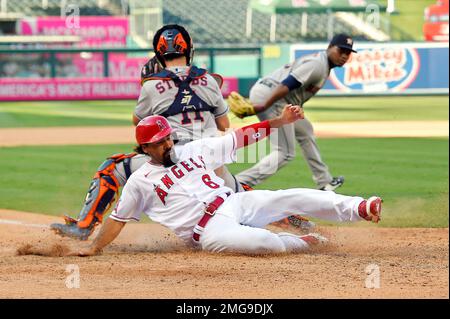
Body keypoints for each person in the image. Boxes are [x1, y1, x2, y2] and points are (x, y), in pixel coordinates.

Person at [50, 24, 313, 240]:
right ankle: (295, 221)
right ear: (189, 49)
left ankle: (84, 226)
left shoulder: (152, 85)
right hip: (211, 157)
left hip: (176, 156)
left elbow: (139, 124)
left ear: (158, 52)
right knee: (236, 192)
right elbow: (224, 126)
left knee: (113, 167)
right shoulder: (209, 80)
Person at [71, 106, 382, 257]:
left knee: (289, 197)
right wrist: (95, 246)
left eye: (167, 139)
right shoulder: (140, 181)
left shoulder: (193, 149)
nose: (167, 145)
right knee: (263, 243)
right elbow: (118, 219)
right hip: (206, 231)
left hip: (234, 202)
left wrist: (280, 122)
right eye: (159, 143)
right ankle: (300, 243)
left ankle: (359, 207)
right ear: (145, 149)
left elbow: (241, 136)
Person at [231, 33, 357, 191]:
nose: (344, 56)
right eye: (341, 51)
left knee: (305, 129)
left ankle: (324, 182)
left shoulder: (323, 64)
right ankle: (238, 183)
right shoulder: (318, 65)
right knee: (285, 152)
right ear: (330, 47)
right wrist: (264, 105)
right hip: (274, 97)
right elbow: (287, 85)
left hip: (274, 96)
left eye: (348, 53)